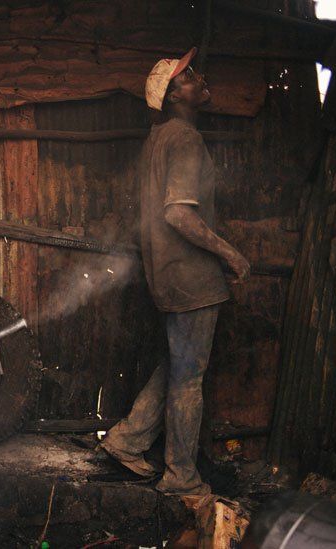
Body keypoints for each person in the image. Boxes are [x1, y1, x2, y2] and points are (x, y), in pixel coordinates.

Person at [97, 47, 251, 496]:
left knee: (176, 364)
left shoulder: (157, 139)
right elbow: (178, 215)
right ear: (172, 97)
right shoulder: (184, 138)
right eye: (187, 77)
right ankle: (181, 477)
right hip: (192, 279)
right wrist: (231, 254)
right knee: (189, 380)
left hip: (167, 276)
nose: (198, 78)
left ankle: (126, 439)